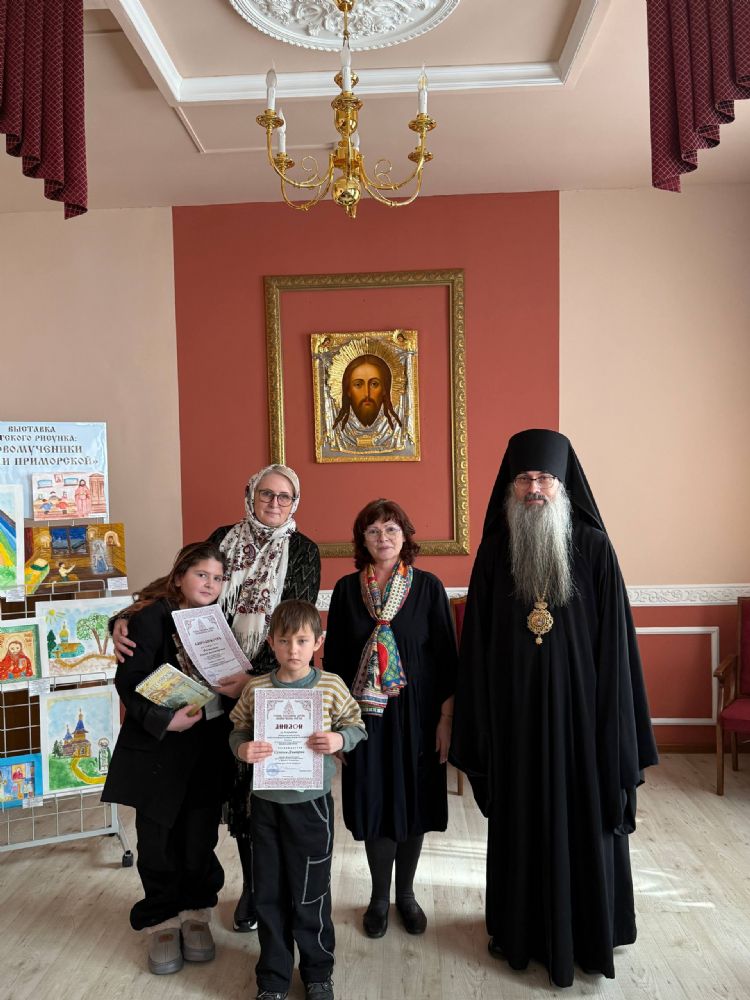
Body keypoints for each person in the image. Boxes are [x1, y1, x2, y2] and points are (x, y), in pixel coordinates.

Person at [450, 428, 658, 988]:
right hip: (515, 722)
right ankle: (520, 931)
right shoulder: (495, 551)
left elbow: (615, 648)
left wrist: (613, 726)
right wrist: (481, 721)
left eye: (544, 478)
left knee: (586, 820)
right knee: (520, 820)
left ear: (563, 486)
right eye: (525, 479)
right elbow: (479, 647)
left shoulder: (594, 547)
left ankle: (588, 933)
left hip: (583, 724)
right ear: (511, 487)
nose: (535, 489)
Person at [113, 464, 320, 933]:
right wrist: (123, 617)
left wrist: (255, 679)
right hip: (206, 690)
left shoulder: (303, 550)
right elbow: (183, 580)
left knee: (252, 793)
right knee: (204, 800)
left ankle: (256, 891)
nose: (274, 503)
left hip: (263, 686)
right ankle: (179, 901)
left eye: (284, 496)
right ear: (250, 495)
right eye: (265, 493)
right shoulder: (224, 538)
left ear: (295, 503)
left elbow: (294, 622)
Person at [323, 499, 456, 939]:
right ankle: (379, 897)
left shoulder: (429, 587)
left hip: (419, 716)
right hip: (365, 718)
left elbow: (446, 659)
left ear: (405, 537)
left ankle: (407, 895)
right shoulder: (346, 591)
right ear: (362, 540)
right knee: (375, 800)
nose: (383, 538)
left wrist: (445, 719)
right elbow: (335, 662)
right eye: (374, 531)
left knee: (414, 800)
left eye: (392, 529)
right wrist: (338, 726)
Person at [101, 541, 234, 976]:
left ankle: (196, 911)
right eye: (201, 575)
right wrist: (165, 720)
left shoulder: (218, 620)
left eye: (217, 578)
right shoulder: (149, 618)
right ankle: (161, 917)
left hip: (207, 746)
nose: (210, 584)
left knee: (199, 835)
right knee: (157, 838)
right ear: (179, 577)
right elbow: (129, 682)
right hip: (159, 747)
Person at [229, 599, 366, 1000]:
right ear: (271, 642)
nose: (293, 649)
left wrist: (339, 739)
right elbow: (237, 730)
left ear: (317, 643)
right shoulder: (256, 688)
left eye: (302, 641)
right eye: (285, 640)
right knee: (269, 893)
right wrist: (242, 749)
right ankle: (273, 978)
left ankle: (318, 972)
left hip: (312, 807)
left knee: (311, 891)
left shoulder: (331, 686)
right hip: (266, 806)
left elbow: (356, 725)